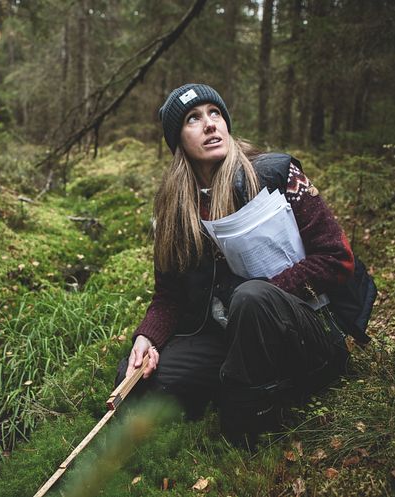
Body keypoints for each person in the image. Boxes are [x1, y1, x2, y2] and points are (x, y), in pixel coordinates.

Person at [116, 83, 375, 447]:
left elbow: (337, 258)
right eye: (194, 119)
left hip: (307, 330)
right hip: (229, 336)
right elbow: (168, 298)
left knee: (252, 298)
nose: (210, 125)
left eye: (215, 113)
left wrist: (268, 290)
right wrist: (148, 337)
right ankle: (246, 383)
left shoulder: (275, 174)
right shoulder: (176, 209)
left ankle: (250, 420)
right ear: (178, 142)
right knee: (142, 383)